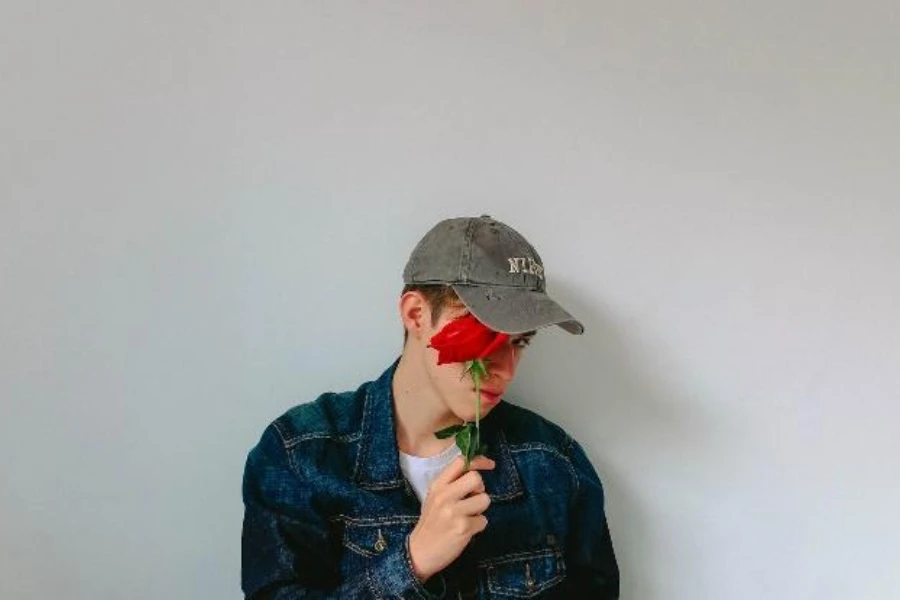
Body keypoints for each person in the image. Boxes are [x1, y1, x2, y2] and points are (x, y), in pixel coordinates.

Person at [242, 215, 619, 598]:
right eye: (485, 333)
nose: (504, 369)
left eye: (520, 341)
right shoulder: (302, 456)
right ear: (416, 315)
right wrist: (412, 562)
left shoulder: (554, 464)